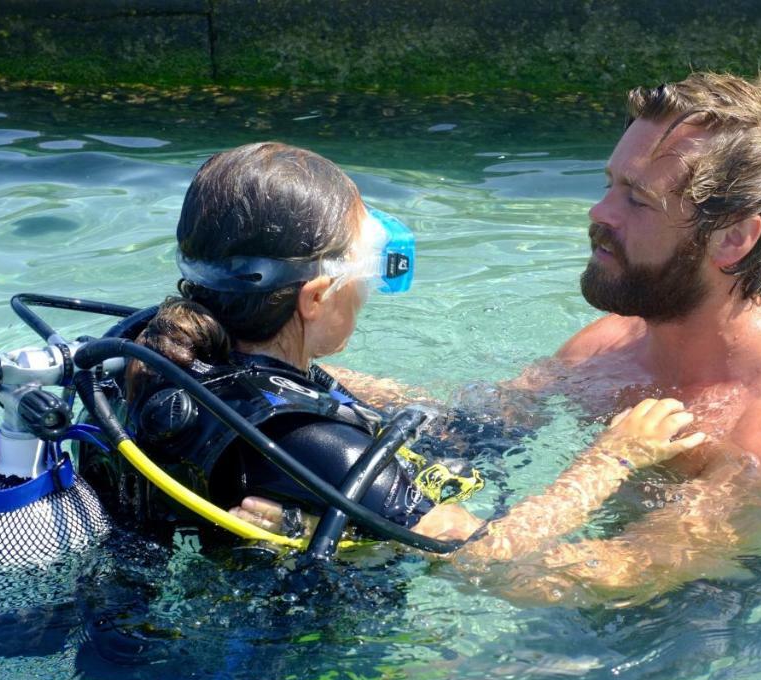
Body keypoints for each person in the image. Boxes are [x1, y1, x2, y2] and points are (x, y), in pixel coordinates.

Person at [315, 71, 761, 601]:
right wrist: (299, 375)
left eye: (637, 199)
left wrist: (392, 523)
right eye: (610, 184)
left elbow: (621, 573)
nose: (599, 211)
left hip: (699, 635)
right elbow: (474, 426)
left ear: (732, 239)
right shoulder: (611, 344)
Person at [83, 141, 705, 561]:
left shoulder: (156, 352)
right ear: (317, 297)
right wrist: (612, 460)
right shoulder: (311, 445)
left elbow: (291, 392)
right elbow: (483, 557)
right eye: (370, 272)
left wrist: (388, 398)